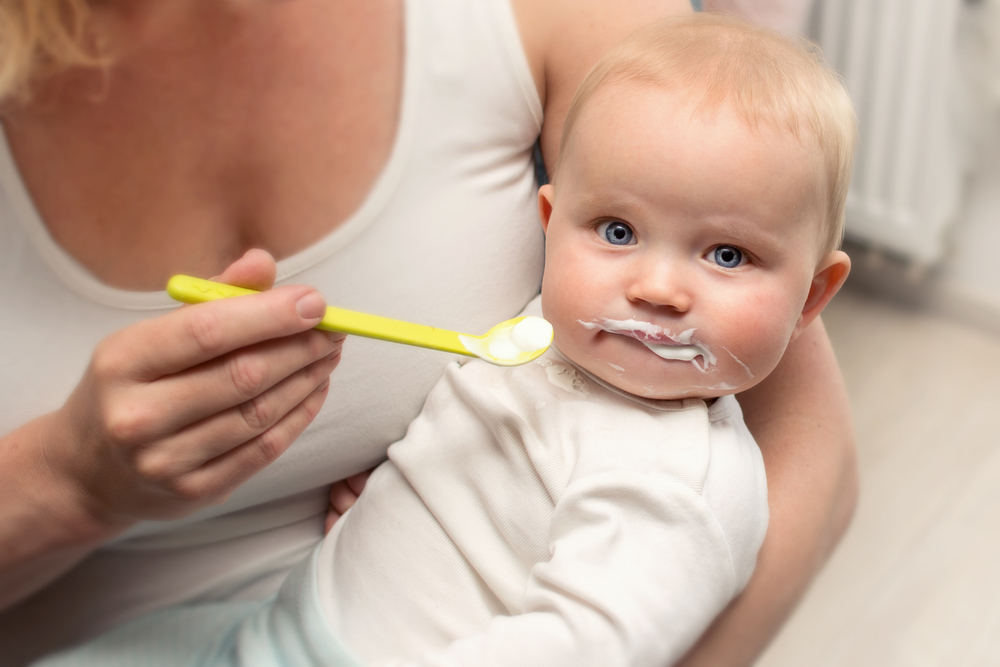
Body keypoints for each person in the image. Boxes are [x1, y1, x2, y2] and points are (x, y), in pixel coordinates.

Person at [0, 1, 857, 665]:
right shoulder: (542, 339)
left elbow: (579, 643)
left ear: (814, 295)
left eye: (728, 255)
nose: (660, 288)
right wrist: (68, 482)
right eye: (619, 234)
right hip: (269, 618)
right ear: (549, 218)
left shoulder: (678, 489)